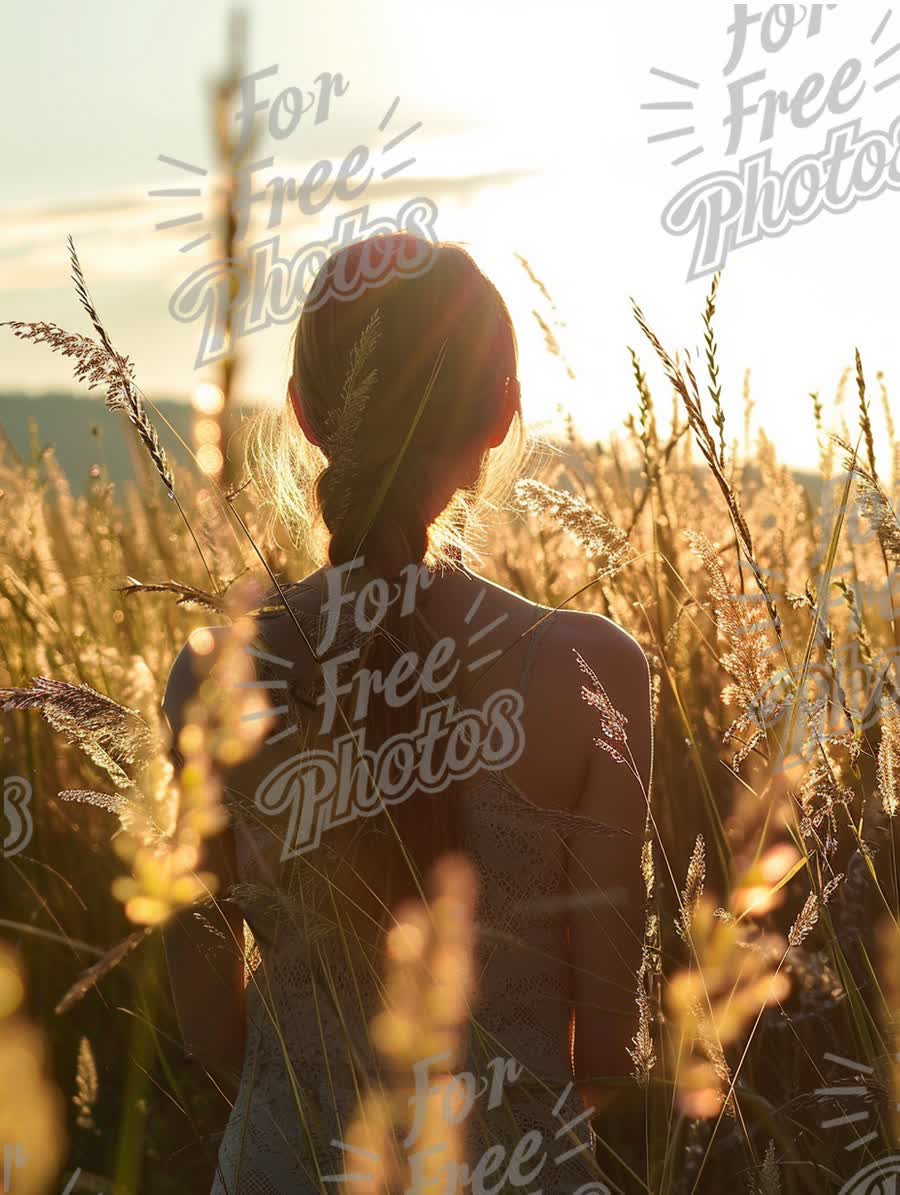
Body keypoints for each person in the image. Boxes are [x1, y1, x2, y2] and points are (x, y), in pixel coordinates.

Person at [162, 234, 653, 1194]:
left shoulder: (215, 675)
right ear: (501, 417)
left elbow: (210, 1030)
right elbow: (607, 1050)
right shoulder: (594, 669)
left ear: (304, 416)